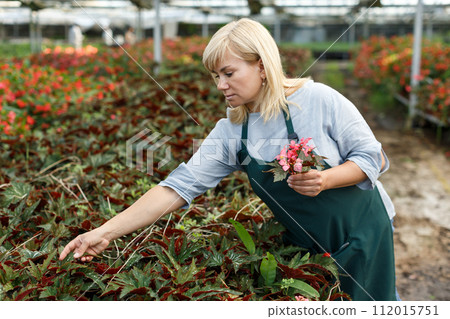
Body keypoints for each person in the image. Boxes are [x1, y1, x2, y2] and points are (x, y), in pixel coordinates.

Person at [59, 18, 398, 301]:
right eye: (215, 76)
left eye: (229, 73)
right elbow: (176, 187)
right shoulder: (233, 131)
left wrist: (326, 179)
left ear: (261, 66)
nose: (220, 85)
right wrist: (105, 232)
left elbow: (375, 158)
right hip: (307, 246)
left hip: (363, 235)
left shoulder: (318, 100)